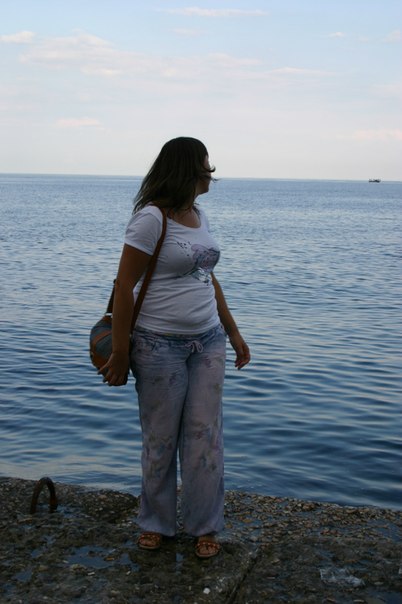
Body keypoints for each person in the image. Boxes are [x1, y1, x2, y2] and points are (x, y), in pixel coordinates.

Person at [101, 137, 250, 558]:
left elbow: (207, 277)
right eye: (206, 164)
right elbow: (124, 287)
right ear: (189, 169)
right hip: (158, 345)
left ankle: (205, 526)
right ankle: (156, 522)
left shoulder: (200, 216)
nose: (211, 173)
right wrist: (120, 352)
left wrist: (233, 332)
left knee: (206, 436)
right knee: (161, 438)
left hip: (208, 341)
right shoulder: (150, 219)